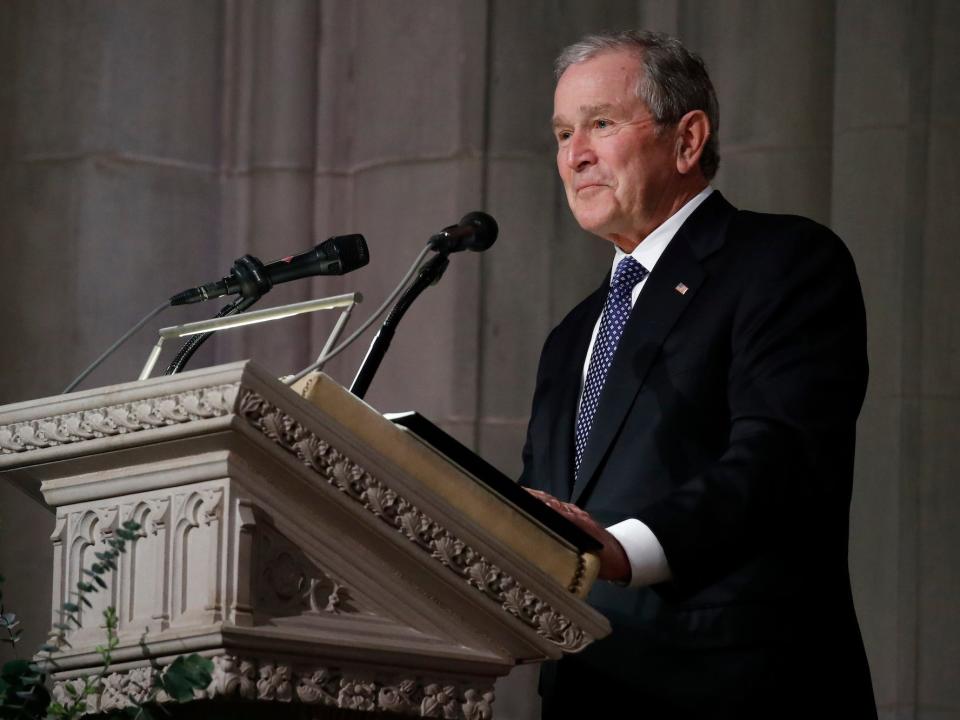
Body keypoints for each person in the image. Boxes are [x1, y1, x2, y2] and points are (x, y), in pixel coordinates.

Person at [519, 30, 877, 718]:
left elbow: (782, 457)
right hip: (589, 691)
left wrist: (619, 549)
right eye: (563, 133)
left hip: (736, 689)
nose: (575, 155)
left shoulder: (782, 262)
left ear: (688, 140)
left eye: (601, 123)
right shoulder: (573, 334)